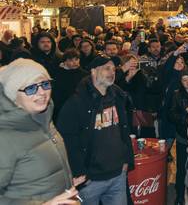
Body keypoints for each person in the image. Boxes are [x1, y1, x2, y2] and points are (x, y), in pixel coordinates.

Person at [0, 58, 82, 204]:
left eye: (45, 84)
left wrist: (66, 182)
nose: (42, 92)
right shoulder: (5, 136)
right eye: (30, 88)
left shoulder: (44, 120)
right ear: (13, 94)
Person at [57, 55, 134, 205]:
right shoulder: (77, 102)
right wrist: (80, 172)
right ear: (93, 71)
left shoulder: (117, 96)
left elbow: (124, 130)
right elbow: (66, 139)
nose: (111, 72)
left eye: (113, 69)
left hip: (117, 174)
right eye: (106, 68)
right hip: (90, 180)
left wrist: (126, 160)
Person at [169, 68, 188, 205]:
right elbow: (171, 114)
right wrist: (186, 117)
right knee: (182, 168)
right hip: (182, 137)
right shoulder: (177, 95)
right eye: (184, 79)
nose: (187, 82)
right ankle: (180, 195)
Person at [52, 49, 88, 122]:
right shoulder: (59, 74)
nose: (75, 62)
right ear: (65, 61)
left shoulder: (85, 75)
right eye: (71, 60)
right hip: (62, 107)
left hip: (79, 107)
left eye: (76, 59)